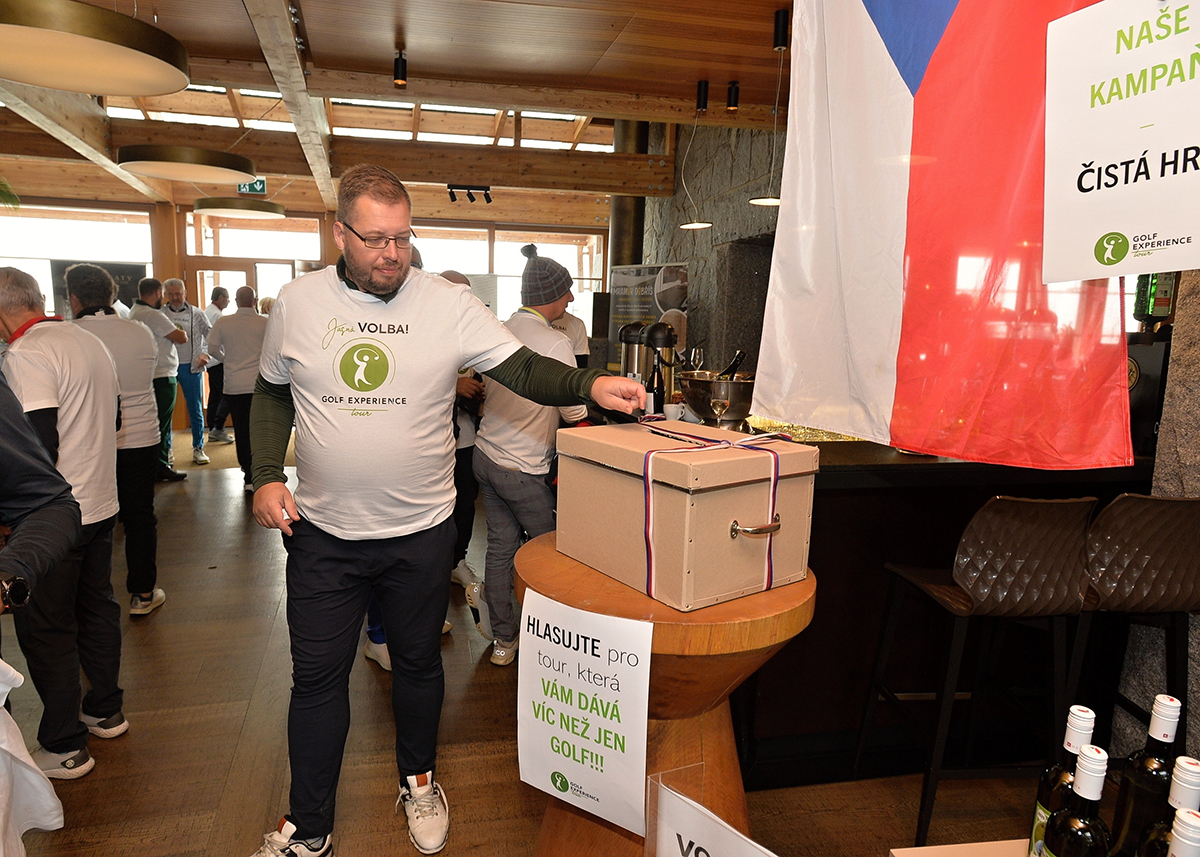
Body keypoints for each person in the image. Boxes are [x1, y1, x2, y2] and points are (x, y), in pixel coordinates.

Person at [247, 163, 643, 857]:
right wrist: (263, 476)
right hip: (323, 534)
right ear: (340, 233)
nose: (391, 254)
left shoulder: (447, 302)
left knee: (418, 664)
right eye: (374, 239)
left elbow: (521, 367)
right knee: (315, 682)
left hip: (420, 532)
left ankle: (420, 780)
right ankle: (308, 827)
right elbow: (273, 391)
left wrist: (590, 383)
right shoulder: (297, 302)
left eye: (402, 237)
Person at [0, 267, 126, 780]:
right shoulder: (88, 340)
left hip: (51, 517)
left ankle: (64, 745)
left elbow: (35, 446)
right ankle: (106, 710)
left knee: (47, 629)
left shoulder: (25, 354)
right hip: (100, 501)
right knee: (96, 608)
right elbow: (115, 420)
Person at [472, 248, 587, 666]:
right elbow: (573, 412)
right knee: (552, 552)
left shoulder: (498, 329)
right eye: (566, 291)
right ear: (551, 295)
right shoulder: (556, 342)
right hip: (522, 468)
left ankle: (504, 640)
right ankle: (556, 645)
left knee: (501, 547)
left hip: (486, 455)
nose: (570, 299)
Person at [66, 264, 166, 616]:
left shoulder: (69, 336)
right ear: (112, 295)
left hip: (86, 441)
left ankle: (85, 598)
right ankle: (142, 592)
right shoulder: (140, 332)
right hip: (141, 436)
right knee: (139, 516)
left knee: (87, 518)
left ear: (74, 298)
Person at [206, 286, 267, 492]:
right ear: (255, 301)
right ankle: (262, 472)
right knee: (260, 430)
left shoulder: (224, 322)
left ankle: (248, 475)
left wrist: (228, 360)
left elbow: (212, 349)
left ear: (235, 300)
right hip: (259, 385)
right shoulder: (265, 323)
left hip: (234, 385)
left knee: (241, 430)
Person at [129, 278, 188, 482]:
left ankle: (155, 464)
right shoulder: (153, 315)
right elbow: (181, 337)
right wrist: (179, 330)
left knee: (155, 421)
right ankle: (161, 465)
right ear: (157, 292)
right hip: (163, 374)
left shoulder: (134, 311)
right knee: (162, 422)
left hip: (148, 373)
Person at [163, 278, 212, 465]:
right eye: (171, 294)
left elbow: (211, 336)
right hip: (167, 368)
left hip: (191, 367)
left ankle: (198, 448)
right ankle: (167, 450)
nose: (175, 298)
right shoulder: (160, 314)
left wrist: (205, 354)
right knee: (166, 410)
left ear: (185, 293)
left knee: (195, 409)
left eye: (178, 294)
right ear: (165, 295)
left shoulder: (197, 313)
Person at [204, 286, 234, 444]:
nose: (228, 301)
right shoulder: (216, 315)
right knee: (226, 393)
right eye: (227, 298)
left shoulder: (208, 311)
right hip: (217, 359)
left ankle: (212, 428)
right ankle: (217, 427)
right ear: (221, 298)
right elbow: (220, 339)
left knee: (215, 395)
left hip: (210, 360)